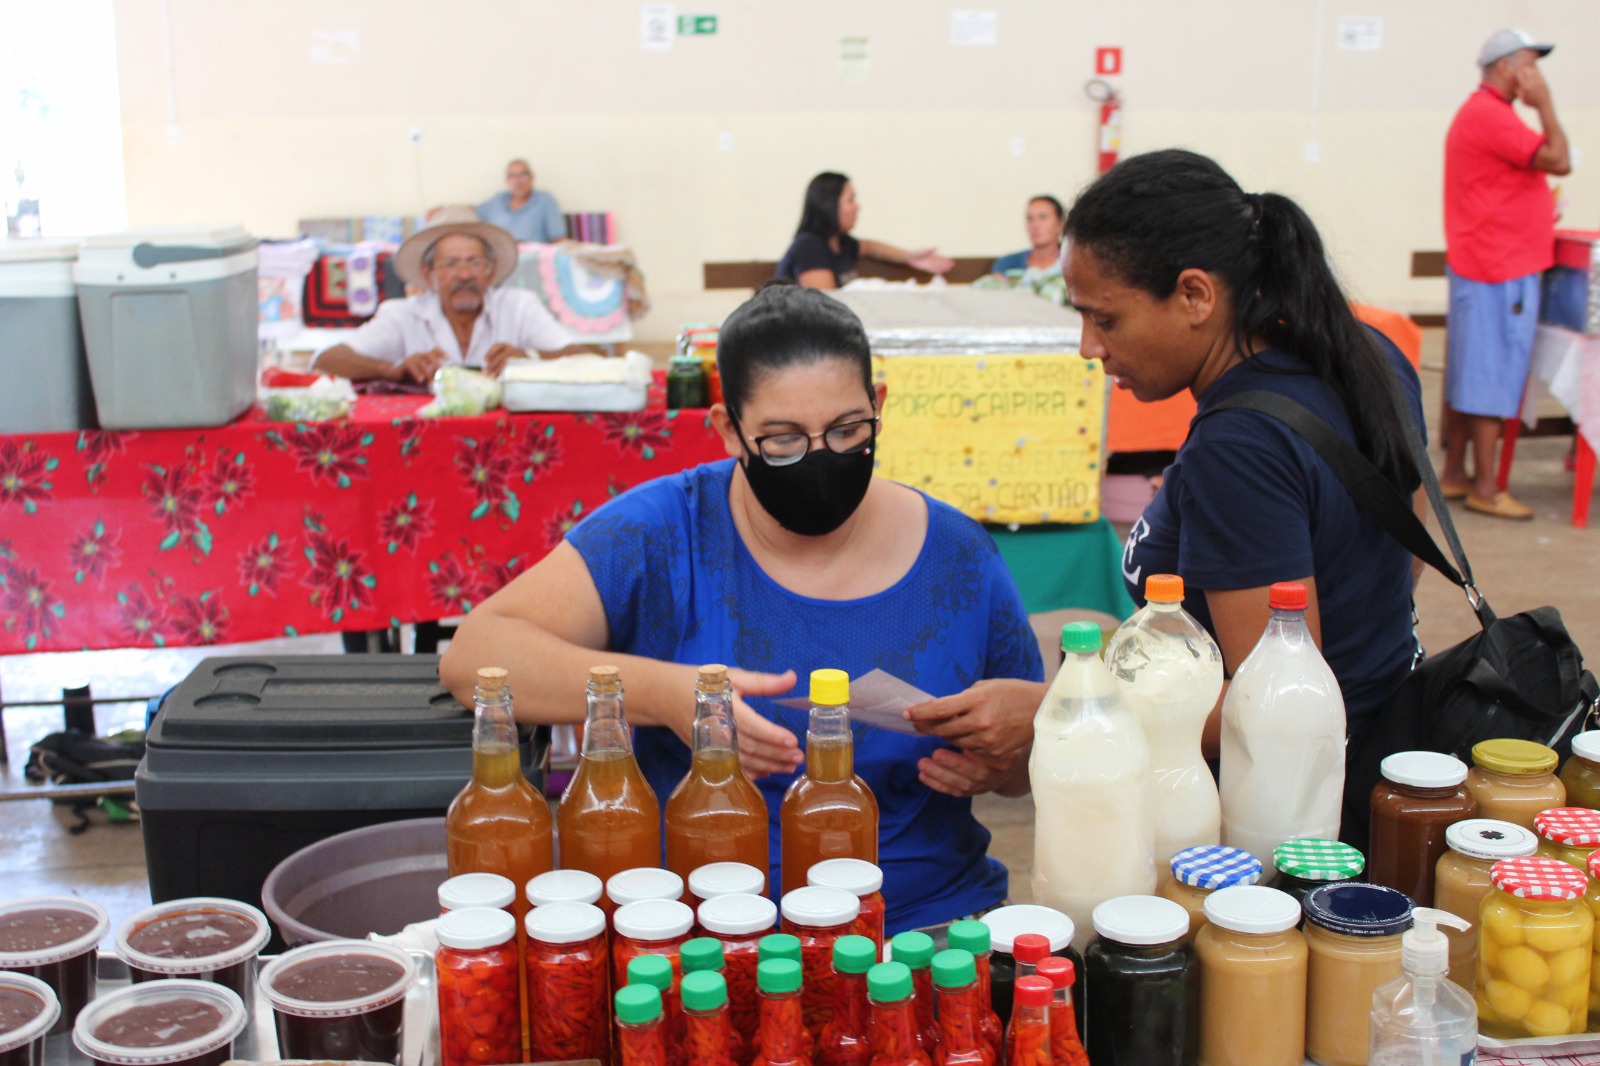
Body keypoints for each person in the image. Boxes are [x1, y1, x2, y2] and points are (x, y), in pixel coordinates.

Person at [440, 283, 1043, 932]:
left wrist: (1016, 745)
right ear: (729, 430)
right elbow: (476, 656)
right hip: (701, 931)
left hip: (923, 924)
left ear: (880, 405)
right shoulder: (663, 533)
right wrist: (664, 695)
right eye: (782, 440)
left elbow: (1021, 775)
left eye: (847, 431)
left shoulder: (958, 555)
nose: (820, 458)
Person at [907, 149, 1424, 779]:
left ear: (1195, 296)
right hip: (1384, 732)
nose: (1089, 347)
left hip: (1291, 797)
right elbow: (1407, 537)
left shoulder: (1238, 449)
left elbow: (1273, 709)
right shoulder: (1364, 353)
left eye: (1106, 319)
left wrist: (1061, 710)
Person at [1439, 28, 1570, 520]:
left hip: (1485, 262)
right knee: (1491, 378)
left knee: (1471, 373)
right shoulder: (1491, 115)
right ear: (1504, 67)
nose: (1535, 76)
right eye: (1529, 65)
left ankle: (1456, 473)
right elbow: (1559, 159)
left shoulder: (1484, 114)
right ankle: (1487, 488)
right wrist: (1546, 104)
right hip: (1499, 266)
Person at [313, 206, 572, 383]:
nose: (464, 274)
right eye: (450, 264)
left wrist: (531, 359)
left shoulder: (519, 306)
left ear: (490, 270)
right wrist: (391, 370)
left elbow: (582, 357)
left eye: (475, 262)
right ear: (428, 274)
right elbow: (325, 361)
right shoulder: (402, 314)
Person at [775, 172, 955, 289]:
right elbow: (825, 306)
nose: (857, 206)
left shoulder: (842, 243)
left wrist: (908, 257)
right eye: (850, 200)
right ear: (829, 205)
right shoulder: (809, 246)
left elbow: (870, 247)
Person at [986, 195, 1067, 305]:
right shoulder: (1007, 264)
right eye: (1030, 219)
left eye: (1043, 217)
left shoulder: (1073, 265)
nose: (1035, 225)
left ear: (1061, 224)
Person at [476, 158, 567, 244]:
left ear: (532, 177)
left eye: (523, 174)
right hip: (499, 252)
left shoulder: (544, 200)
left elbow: (558, 238)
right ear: (507, 181)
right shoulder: (497, 200)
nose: (518, 180)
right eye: (512, 176)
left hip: (531, 252)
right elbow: (474, 215)